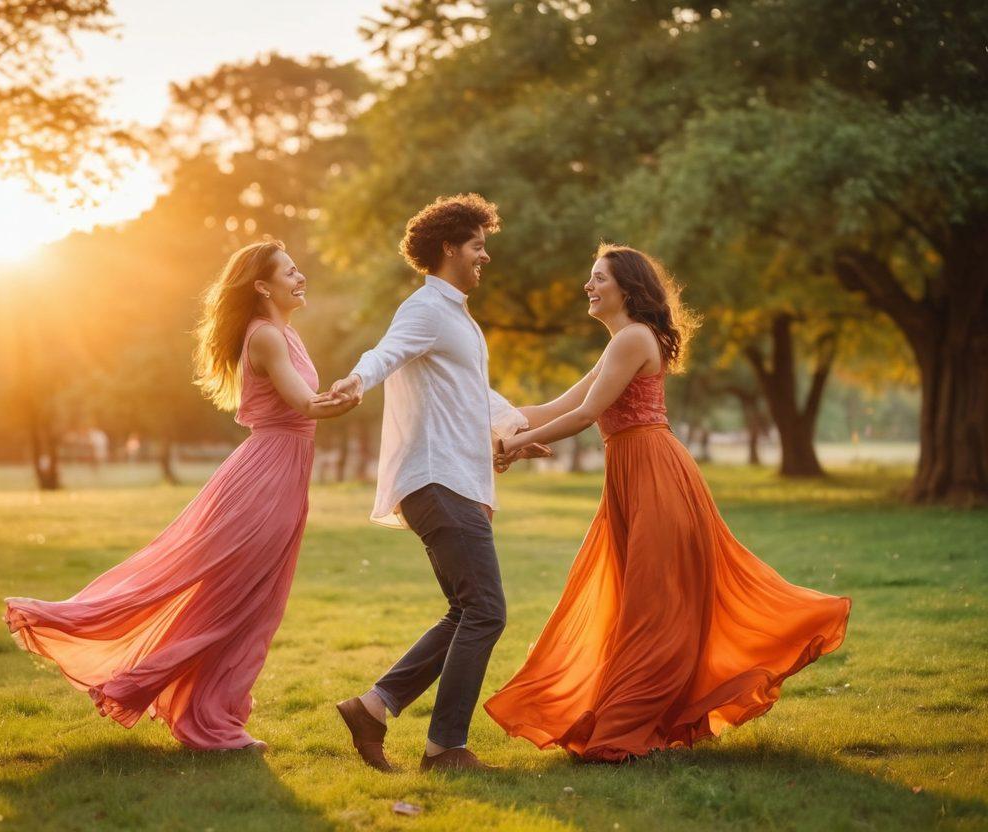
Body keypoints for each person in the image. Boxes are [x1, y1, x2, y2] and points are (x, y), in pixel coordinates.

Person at [485, 244, 851, 762]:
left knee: (652, 609)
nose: (588, 286)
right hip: (631, 478)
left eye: (599, 278)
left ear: (628, 288)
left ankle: (626, 726)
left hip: (655, 477)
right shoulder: (621, 342)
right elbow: (555, 406)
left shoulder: (633, 338)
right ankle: (628, 718)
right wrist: (491, 424)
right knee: (635, 603)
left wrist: (514, 445)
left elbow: (586, 415)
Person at [4, 240, 357, 752]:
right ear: (262, 286)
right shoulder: (265, 337)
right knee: (234, 603)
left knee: (255, 605)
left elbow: (308, 404)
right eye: (290, 272)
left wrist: (341, 394)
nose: (301, 277)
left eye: (298, 269)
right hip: (265, 478)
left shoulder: (285, 334)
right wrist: (348, 397)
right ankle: (202, 719)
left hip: (282, 473)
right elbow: (307, 405)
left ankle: (211, 715)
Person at [321, 194, 551, 772]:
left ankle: (372, 708)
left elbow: (473, 391)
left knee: (466, 611)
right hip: (437, 479)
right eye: (477, 245)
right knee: (486, 611)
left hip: (455, 479)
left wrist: (514, 433)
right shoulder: (426, 308)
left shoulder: (456, 317)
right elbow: (385, 353)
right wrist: (355, 380)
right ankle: (445, 748)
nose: (485, 256)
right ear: (449, 248)